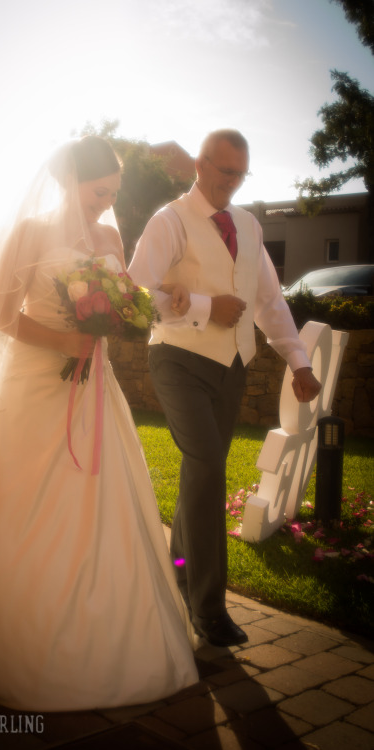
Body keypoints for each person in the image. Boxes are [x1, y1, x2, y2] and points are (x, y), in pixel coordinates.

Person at [0, 136, 198, 711]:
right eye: (101, 192)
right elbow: (1, 317)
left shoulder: (109, 235)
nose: (106, 204)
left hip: (92, 386)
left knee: (102, 498)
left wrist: (133, 309)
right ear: (72, 179)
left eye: (114, 194)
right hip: (34, 382)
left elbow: (125, 295)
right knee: (5, 497)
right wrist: (65, 339)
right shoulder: (29, 232)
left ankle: (103, 627)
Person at [128, 129, 321, 647]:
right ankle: (209, 607)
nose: (231, 182)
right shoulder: (169, 220)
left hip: (231, 364)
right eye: (224, 171)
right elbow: (137, 293)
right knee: (210, 465)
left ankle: (181, 569)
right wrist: (205, 307)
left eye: (240, 174)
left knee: (201, 470)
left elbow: (269, 301)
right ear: (200, 164)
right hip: (176, 358)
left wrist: (298, 361)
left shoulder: (249, 225)